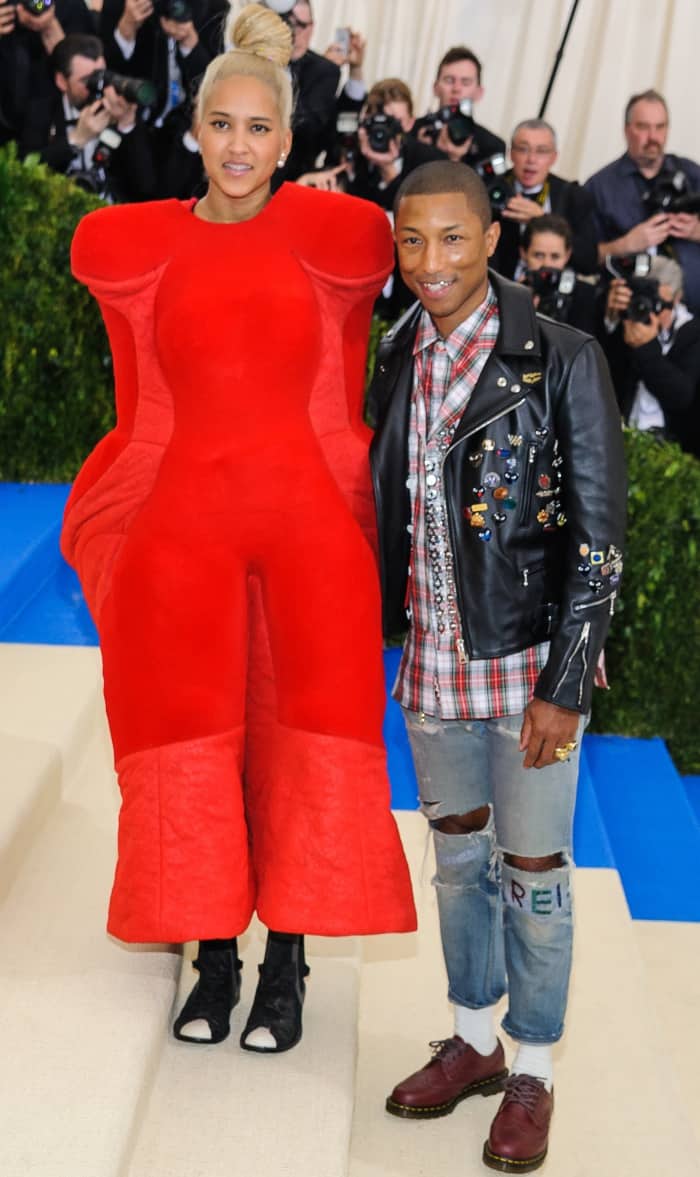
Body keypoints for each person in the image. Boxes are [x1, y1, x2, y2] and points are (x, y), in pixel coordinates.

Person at [61, 1, 415, 1056]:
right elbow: (147, 408)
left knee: (304, 737)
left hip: (310, 538)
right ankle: (213, 952)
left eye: (260, 128)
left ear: (289, 138)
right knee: (191, 739)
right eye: (224, 124)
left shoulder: (337, 237)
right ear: (193, 126)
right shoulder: (132, 244)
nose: (240, 146)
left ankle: (289, 963)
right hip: (183, 543)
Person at [369, 160, 626, 1172]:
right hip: (430, 671)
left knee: (536, 880)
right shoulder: (397, 352)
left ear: (490, 240)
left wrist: (566, 681)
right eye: (411, 242)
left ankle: (535, 1067)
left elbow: (599, 539)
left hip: (524, 675)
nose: (431, 262)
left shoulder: (559, 357)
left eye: (451, 239)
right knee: (459, 865)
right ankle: (474, 1038)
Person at [584, 89, 700, 314]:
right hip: (632, 314)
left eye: (660, 127)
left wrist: (697, 231)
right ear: (627, 130)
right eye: (643, 127)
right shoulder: (599, 186)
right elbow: (583, 258)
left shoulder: (692, 174)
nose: (653, 137)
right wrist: (625, 245)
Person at [21, 33, 156, 202]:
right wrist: (76, 140)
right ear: (62, 81)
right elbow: (26, 173)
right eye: (87, 81)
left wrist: (126, 125)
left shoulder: (120, 108)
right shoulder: (41, 112)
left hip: (109, 211)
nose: (98, 86)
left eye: (102, 76)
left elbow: (144, 187)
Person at [601, 255, 700, 457]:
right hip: (619, 435)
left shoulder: (694, 333)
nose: (646, 307)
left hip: (672, 450)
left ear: (677, 298)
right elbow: (603, 375)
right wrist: (610, 317)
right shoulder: (626, 318)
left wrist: (645, 348)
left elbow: (682, 397)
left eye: (657, 301)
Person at [492, 118, 598, 279]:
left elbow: (589, 261)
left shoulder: (573, 196)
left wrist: (544, 221)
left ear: (554, 157)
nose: (531, 160)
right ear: (511, 153)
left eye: (541, 151)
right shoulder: (491, 189)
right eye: (523, 149)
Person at [413, 46, 505, 167]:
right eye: (449, 80)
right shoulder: (413, 132)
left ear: (479, 92)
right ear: (435, 88)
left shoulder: (491, 146)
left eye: (465, 82)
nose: (456, 89)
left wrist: (454, 159)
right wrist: (422, 152)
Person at [519, 214, 600, 335]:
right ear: (523, 253)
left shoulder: (585, 295)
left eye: (555, 256)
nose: (547, 264)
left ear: (567, 256)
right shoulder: (508, 294)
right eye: (538, 255)